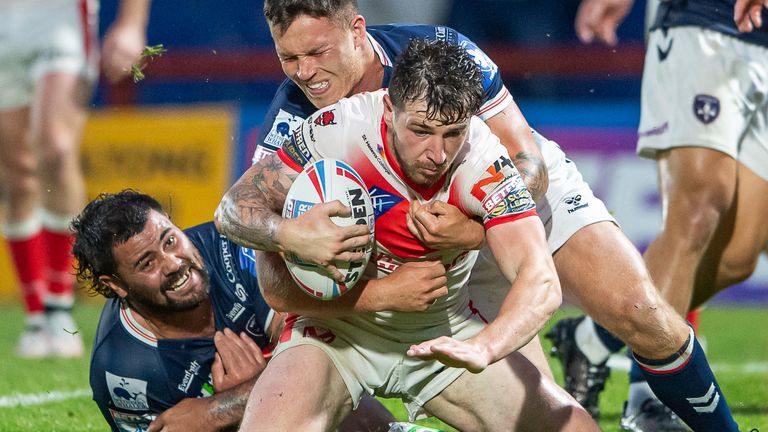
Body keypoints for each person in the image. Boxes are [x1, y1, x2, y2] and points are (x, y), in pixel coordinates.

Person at [221, 1, 740, 430]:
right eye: (288, 58)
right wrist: (292, 234)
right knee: (536, 408)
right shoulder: (296, 123)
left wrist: (475, 229)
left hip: (503, 198)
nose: (304, 72)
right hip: (432, 250)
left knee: (641, 310)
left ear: (357, 30)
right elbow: (260, 250)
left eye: (316, 51)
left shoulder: (443, 56)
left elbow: (525, 160)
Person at [217, 38, 600, 431]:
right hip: (334, 333)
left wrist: (484, 347)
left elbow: (540, 280)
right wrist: (290, 234)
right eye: (421, 129)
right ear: (388, 107)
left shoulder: (484, 161)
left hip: (442, 333)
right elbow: (232, 209)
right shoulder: (337, 131)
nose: (437, 154)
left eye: (453, 133)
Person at [547, 0, 768, 429]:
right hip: (702, 18)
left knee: (740, 254)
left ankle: (592, 337)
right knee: (699, 207)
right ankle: (648, 400)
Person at [73, 190, 395, 432]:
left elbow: (329, 363)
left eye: (170, 241)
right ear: (115, 285)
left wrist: (218, 410)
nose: (172, 263)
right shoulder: (122, 373)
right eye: (147, 263)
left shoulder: (234, 247)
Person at [0, 0, 150, 358]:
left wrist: (131, 23)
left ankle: (59, 306)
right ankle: (36, 314)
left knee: (55, 146)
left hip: (60, 19)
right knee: (16, 174)